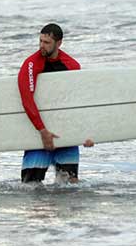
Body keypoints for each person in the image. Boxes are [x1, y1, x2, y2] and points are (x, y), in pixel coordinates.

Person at [17, 23, 93, 184]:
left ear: (58, 43)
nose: (41, 46)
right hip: (38, 136)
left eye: (46, 42)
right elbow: (27, 99)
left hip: (65, 134)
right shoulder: (31, 64)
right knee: (30, 188)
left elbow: (78, 104)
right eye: (40, 41)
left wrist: (86, 134)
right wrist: (42, 131)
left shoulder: (72, 66)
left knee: (70, 188)